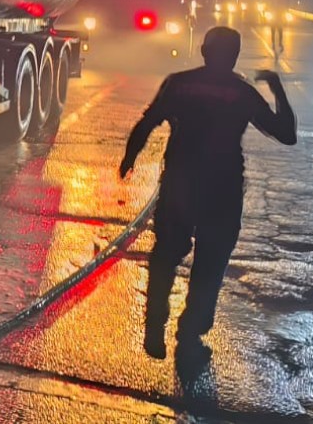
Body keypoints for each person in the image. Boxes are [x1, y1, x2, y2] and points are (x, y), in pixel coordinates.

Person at [119, 25, 296, 361]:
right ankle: (190, 334)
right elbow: (286, 134)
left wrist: (130, 157)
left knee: (166, 255)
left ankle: (154, 326)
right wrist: (277, 89)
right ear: (234, 56)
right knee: (210, 265)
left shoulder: (179, 83)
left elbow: (148, 121)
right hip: (222, 191)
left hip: (180, 185)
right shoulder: (242, 93)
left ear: (203, 51)